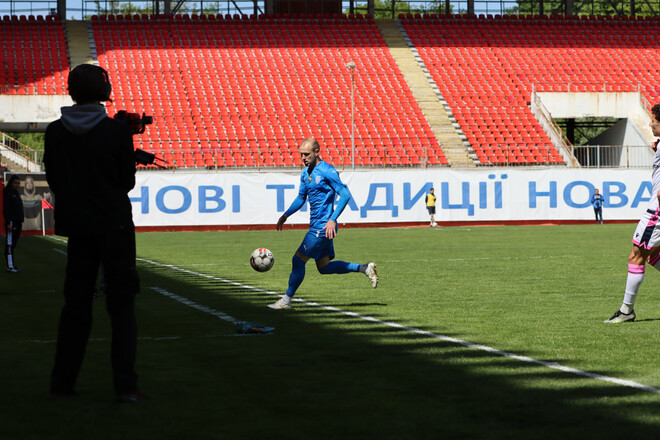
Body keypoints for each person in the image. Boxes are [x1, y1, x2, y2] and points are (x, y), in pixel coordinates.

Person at [44, 64, 146, 402]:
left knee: (74, 307)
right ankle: (126, 388)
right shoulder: (115, 132)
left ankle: (62, 385)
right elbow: (125, 182)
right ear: (103, 91)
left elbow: (56, 180)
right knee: (122, 308)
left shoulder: (55, 131)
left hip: (78, 228)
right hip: (114, 226)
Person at [268, 138, 378, 310]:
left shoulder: (327, 171)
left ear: (317, 152)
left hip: (322, 226)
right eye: (301, 155)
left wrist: (332, 219)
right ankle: (364, 268)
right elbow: (300, 198)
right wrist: (286, 215)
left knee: (297, 260)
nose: (303, 158)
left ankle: (285, 301)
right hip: (320, 227)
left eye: (306, 154)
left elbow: (345, 194)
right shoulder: (305, 173)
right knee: (324, 267)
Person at [604, 104, 660, 323]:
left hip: (656, 213)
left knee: (636, 256)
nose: (650, 123)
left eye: (653, 119)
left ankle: (627, 311)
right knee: (653, 256)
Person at [3, 175, 23, 272]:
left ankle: (12, 265)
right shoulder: (8, 194)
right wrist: (8, 223)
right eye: (15, 183)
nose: (17, 185)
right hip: (12, 222)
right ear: (11, 183)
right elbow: (6, 210)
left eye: (18, 183)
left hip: (18, 222)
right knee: (10, 244)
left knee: (13, 244)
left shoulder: (16, 194)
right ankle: (10, 267)